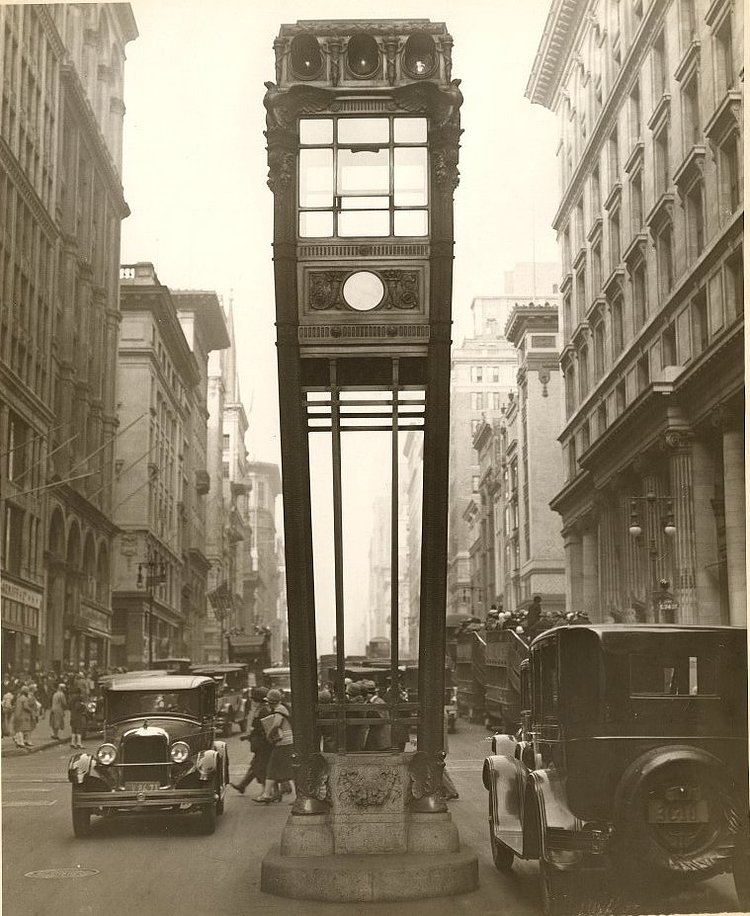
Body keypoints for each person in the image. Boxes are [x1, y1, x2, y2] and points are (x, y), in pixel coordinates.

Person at [254, 688, 295, 804]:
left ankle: (266, 794)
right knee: (283, 769)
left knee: (273, 768)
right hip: (286, 742)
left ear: (271, 701)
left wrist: (269, 734)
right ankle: (267, 794)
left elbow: (276, 724)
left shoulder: (279, 710)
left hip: (283, 743)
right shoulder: (282, 708)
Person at [231, 687, 273, 796]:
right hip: (261, 744)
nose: (253, 702)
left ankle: (267, 792)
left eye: (254, 699)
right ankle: (243, 785)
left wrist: (251, 735)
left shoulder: (263, 711)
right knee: (256, 766)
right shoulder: (262, 710)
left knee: (260, 767)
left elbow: (262, 729)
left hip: (263, 744)